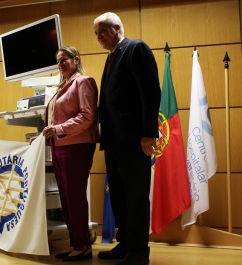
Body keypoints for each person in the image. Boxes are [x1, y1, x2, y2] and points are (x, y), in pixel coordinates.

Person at [93, 12, 161, 265]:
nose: (98, 37)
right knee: (120, 195)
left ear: (117, 27)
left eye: (102, 31)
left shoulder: (135, 48)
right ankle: (126, 244)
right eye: (96, 34)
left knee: (135, 196)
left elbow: (150, 92)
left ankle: (139, 252)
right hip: (113, 140)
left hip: (134, 139)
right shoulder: (110, 57)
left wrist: (148, 134)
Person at [30, 46, 99, 262]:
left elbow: (87, 116)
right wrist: (42, 136)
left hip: (76, 147)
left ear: (76, 59)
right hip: (60, 146)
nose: (60, 65)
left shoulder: (83, 81)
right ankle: (75, 244)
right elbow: (53, 120)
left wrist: (58, 130)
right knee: (67, 199)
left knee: (75, 197)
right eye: (58, 62)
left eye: (64, 60)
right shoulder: (62, 86)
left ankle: (83, 246)